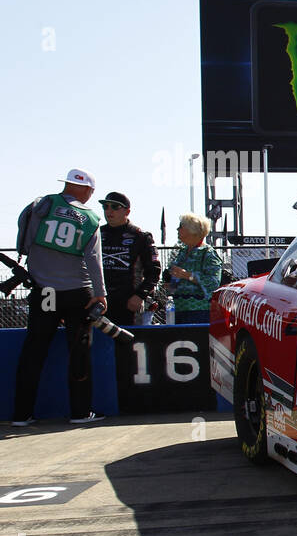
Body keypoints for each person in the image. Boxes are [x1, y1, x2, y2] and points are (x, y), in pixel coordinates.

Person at [11, 168, 107, 426]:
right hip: (78, 293)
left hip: (46, 293)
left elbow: (26, 242)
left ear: (66, 185)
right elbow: (94, 260)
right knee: (79, 352)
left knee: (34, 349)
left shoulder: (42, 205)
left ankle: (21, 415)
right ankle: (80, 412)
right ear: (88, 190)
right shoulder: (90, 218)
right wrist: (100, 295)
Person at [98, 191, 161, 326]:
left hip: (129, 302)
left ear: (127, 211)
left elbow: (154, 272)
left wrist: (140, 296)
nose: (109, 211)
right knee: (99, 344)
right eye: (106, 207)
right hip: (101, 301)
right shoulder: (97, 233)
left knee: (128, 343)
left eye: (115, 207)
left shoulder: (141, 236)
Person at [164, 212, 223, 324]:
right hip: (178, 310)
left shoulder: (208, 253)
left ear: (192, 230)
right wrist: (171, 284)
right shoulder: (182, 252)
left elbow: (213, 283)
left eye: (181, 227)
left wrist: (187, 275)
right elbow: (177, 279)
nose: (177, 229)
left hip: (199, 312)